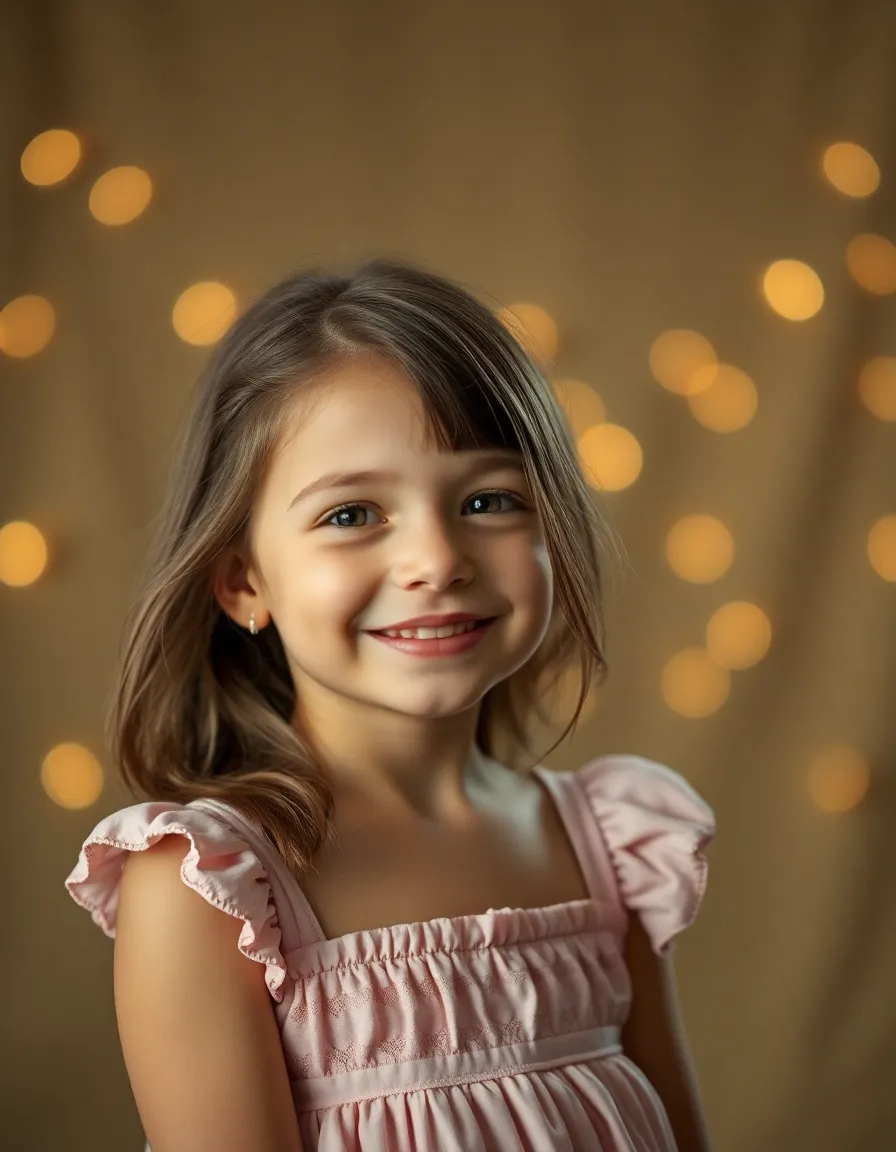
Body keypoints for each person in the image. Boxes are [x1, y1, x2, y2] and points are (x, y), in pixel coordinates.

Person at [65, 259, 717, 1152]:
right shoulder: (207, 892)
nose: (436, 559)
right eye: (352, 514)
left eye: (489, 500)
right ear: (243, 579)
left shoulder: (610, 846)